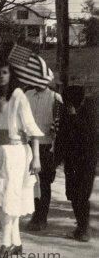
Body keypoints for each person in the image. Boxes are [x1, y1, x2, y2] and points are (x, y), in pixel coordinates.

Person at [0, 59, 43, 258]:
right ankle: (16, 242)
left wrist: (36, 158)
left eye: (4, 72)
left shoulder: (18, 96)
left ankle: (5, 243)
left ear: (11, 75)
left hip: (15, 153)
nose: (0, 76)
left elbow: (32, 129)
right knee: (2, 197)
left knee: (9, 196)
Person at [23, 61, 62, 232]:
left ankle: (41, 217)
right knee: (31, 182)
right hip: (28, 144)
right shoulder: (27, 95)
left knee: (44, 183)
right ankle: (34, 213)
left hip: (46, 146)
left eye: (43, 77)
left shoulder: (54, 98)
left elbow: (59, 123)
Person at [57, 85, 98, 242]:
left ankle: (84, 228)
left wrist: (74, 117)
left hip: (87, 161)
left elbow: (90, 137)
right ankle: (81, 227)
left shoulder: (89, 111)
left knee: (82, 195)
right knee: (73, 195)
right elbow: (61, 136)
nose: (67, 104)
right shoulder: (66, 112)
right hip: (71, 161)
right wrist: (56, 159)